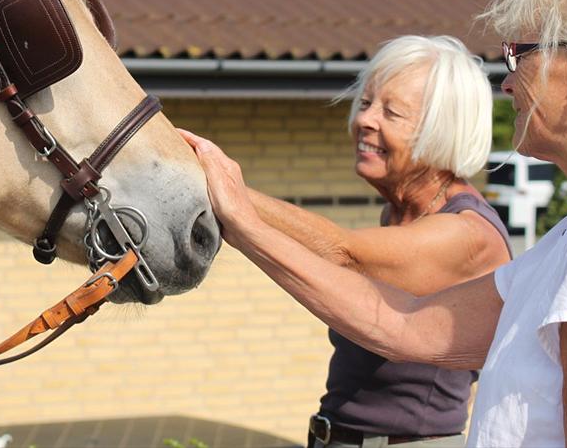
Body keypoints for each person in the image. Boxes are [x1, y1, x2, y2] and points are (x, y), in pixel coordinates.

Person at [186, 0, 567, 447]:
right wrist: (240, 220)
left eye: (520, 55)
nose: (507, 83)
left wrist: (235, 202)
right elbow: (405, 324)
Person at [181, 35, 512, 448]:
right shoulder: (398, 216)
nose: (365, 120)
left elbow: (344, 254)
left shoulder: (467, 234)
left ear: (442, 129)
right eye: (368, 101)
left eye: (392, 112)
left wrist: (224, 189)